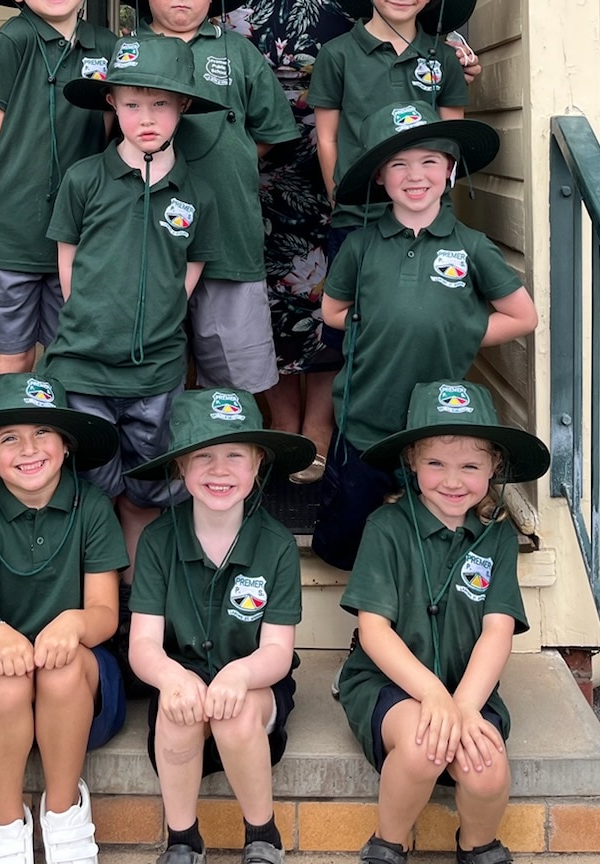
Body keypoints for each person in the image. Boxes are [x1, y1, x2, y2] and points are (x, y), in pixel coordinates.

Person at [223, 0, 481, 483]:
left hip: (356, 164)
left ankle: (321, 427)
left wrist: (453, 48)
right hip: (242, 160)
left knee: (339, 289)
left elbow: (410, 11)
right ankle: (281, 425)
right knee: (258, 294)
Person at [312, 102, 537, 570]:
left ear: (450, 169)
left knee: (430, 539)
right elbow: (333, 310)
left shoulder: (471, 246)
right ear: (379, 176)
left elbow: (522, 316)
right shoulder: (360, 245)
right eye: (398, 164)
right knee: (344, 541)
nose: (415, 175)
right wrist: (376, 320)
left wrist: (459, 329)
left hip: (439, 432)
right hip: (365, 420)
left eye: (429, 161)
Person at [336, 379, 550, 864]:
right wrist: (433, 696)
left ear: (495, 466)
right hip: (389, 682)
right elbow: (373, 630)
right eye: (436, 463)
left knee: (486, 765)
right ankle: (390, 841)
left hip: (467, 685)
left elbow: (498, 629)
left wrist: (466, 706)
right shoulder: (385, 528)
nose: (453, 481)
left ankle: (477, 847)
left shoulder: (495, 538)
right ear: (411, 460)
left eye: (470, 466)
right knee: (421, 747)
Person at [40, 31, 224, 577]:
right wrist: (89, 313)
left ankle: (134, 597)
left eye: (161, 104)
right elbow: (67, 255)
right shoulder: (85, 178)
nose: (147, 116)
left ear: (183, 106)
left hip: (156, 369)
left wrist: (166, 307)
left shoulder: (196, 193)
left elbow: (194, 263)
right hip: (85, 363)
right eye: (133, 103)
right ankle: (97, 589)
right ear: (111, 104)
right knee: (91, 484)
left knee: (147, 488)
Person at [0, 373, 129, 864]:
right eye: (9, 438)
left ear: (65, 445)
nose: (28, 448)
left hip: (81, 684)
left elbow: (104, 612)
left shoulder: (93, 509)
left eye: (43, 433)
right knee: (5, 678)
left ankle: (64, 818)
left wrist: (75, 624)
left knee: (59, 671)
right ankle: (6, 827)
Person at [127, 388, 316, 864]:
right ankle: (183, 840)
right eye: (203, 455)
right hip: (187, 679)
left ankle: (261, 834)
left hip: (254, 687)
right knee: (175, 708)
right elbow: (143, 645)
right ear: (181, 468)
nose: (219, 469)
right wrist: (171, 676)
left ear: (257, 465)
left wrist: (239, 675)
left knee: (235, 711)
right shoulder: (156, 541)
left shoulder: (275, 544)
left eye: (235, 454)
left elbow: (276, 650)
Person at [110, 0, 298, 393]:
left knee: (233, 376)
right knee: (147, 368)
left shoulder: (237, 52)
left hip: (228, 235)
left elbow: (272, 130)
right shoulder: (125, 53)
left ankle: (229, 461)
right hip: (142, 239)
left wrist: (228, 157)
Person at [0, 0, 127, 378]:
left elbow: (118, 127)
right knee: (13, 353)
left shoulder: (108, 46)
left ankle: (60, 446)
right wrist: (4, 196)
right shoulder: (12, 40)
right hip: (12, 228)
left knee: (68, 350)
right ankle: (6, 444)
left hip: (82, 226)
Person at [309, 0, 479, 243]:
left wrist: (439, 198)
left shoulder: (444, 58)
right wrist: (338, 194)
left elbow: (451, 138)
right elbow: (327, 137)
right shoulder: (336, 54)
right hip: (358, 215)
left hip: (427, 213)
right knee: (355, 294)